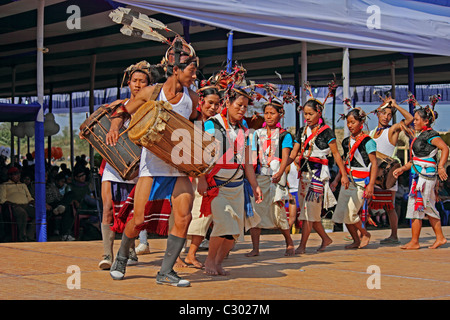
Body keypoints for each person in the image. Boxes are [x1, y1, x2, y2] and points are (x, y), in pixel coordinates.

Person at [106, 37, 200, 287]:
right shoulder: (151, 92)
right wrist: (115, 127)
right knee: (138, 220)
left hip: (179, 167)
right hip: (152, 166)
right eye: (191, 71)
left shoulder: (193, 98)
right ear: (176, 70)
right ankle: (122, 256)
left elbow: (192, 124)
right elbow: (122, 111)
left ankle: (166, 272)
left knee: (183, 217)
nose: (194, 76)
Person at [197, 87, 263, 276]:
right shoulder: (212, 124)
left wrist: (255, 185)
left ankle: (218, 262)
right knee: (223, 223)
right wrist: (201, 179)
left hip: (237, 186)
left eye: (245, 107)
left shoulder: (244, 129)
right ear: (227, 103)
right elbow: (201, 155)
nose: (242, 110)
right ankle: (209, 260)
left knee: (233, 231)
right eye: (239, 105)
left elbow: (248, 162)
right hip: (217, 185)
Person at [274, 99, 350, 254]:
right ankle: (326, 239)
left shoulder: (327, 131)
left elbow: (336, 154)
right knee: (310, 212)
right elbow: (294, 154)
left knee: (308, 212)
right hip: (304, 175)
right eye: (305, 114)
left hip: (318, 176)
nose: (307, 117)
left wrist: (343, 175)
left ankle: (302, 246)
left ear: (319, 113)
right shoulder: (302, 131)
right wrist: (281, 168)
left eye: (310, 114)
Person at [98, 60, 152, 270]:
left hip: (140, 167)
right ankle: (106, 254)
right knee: (108, 208)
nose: (138, 85)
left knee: (134, 213)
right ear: (128, 82)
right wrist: (111, 126)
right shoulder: (119, 106)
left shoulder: (150, 109)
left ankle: (127, 249)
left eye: (143, 81)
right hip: (114, 164)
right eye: (135, 81)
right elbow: (109, 119)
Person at [393, 106, 448, 249]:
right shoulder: (420, 135)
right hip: (418, 175)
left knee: (425, 205)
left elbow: (445, 148)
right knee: (416, 206)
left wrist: (441, 166)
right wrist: (402, 169)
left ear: (426, 121)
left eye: (417, 120)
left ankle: (437, 238)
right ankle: (416, 241)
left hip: (425, 176)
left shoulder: (431, 135)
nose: (414, 122)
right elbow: (415, 159)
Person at [245, 99, 295, 257]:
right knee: (256, 211)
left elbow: (286, 156)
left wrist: (280, 173)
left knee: (278, 211)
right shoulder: (257, 134)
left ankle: (289, 242)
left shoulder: (284, 135)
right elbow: (253, 156)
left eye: (272, 113)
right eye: (266, 113)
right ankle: (255, 248)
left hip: (277, 177)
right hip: (261, 177)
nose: (268, 116)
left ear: (280, 115)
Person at [184, 83, 221, 268]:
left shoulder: (215, 124)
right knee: (193, 214)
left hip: (208, 175)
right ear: (201, 101)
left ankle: (193, 253)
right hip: (192, 175)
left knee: (205, 215)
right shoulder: (194, 122)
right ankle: (185, 254)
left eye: (217, 104)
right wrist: (201, 178)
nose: (213, 107)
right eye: (210, 103)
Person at [369, 97, 414, 244]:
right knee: (362, 202)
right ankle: (360, 233)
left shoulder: (392, 130)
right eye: (384, 114)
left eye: (389, 115)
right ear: (378, 114)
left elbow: (410, 118)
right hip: (373, 174)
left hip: (388, 174)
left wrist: (395, 105)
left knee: (390, 206)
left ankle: (394, 235)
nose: (386, 117)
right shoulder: (371, 133)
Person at [331, 108, 377, 249]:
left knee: (351, 213)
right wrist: (337, 180)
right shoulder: (346, 142)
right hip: (348, 181)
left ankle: (364, 233)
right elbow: (345, 162)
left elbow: (374, 163)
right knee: (342, 214)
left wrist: (371, 185)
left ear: (361, 122)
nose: (350, 125)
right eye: (348, 122)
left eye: (353, 122)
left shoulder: (368, 142)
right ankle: (356, 240)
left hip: (361, 182)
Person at [0, 167, 35, 241]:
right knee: (22, 213)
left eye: (19, 174)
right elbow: (2, 199)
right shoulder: (4, 185)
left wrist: (33, 202)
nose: (18, 176)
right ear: (10, 176)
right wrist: (12, 204)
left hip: (26, 204)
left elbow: (29, 197)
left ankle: (29, 235)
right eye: (15, 174)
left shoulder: (23, 185)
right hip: (14, 206)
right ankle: (22, 236)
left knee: (39, 214)